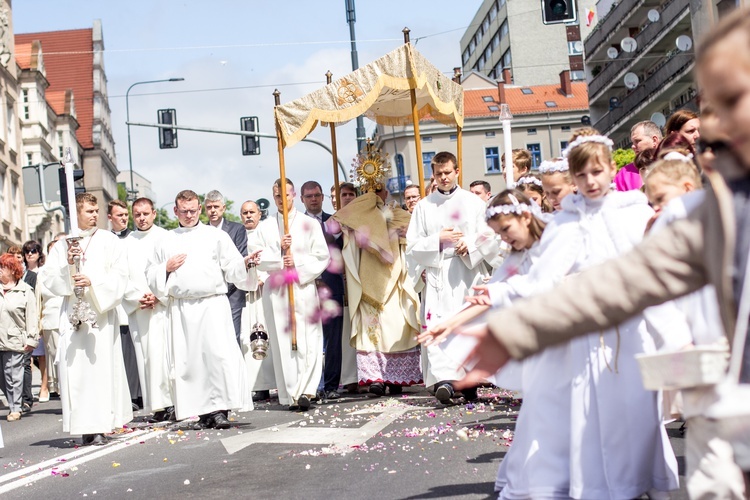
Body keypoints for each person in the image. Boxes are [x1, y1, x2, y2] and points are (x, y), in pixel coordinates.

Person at [146, 190, 252, 430]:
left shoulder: (216, 236)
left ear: (200, 209)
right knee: (190, 362)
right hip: (182, 308)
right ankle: (202, 412)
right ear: (176, 211)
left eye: (193, 210)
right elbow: (150, 272)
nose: (190, 215)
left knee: (218, 357)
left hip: (213, 304)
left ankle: (220, 410)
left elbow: (233, 266)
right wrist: (165, 267)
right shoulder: (165, 240)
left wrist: (246, 264)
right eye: (184, 211)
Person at [406, 151, 499, 403]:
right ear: (433, 175)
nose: (443, 177)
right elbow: (412, 245)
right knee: (439, 325)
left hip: (467, 273)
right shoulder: (424, 207)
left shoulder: (474, 202)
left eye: (448, 172)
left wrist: (470, 244)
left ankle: (469, 381)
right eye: (438, 174)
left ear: (457, 171)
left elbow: (490, 235)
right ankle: (445, 381)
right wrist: (437, 240)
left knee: (468, 325)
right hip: (439, 274)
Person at [41, 193, 132, 445]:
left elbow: (121, 275)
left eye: (96, 210)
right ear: (77, 212)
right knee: (77, 373)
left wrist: (94, 283)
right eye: (89, 211)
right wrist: (67, 268)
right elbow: (48, 280)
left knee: (101, 369)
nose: (95, 215)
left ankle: (102, 425)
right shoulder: (62, 245)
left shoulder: (109, 241)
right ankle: (84, 426)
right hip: (73, 315)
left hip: (100, 315)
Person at [330, 176, 422, 397]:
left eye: (378, 189)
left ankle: (396, 378)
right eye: (369, 190)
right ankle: (377, 380)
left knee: (395, 328)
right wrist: (349, 230)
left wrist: (404, 235)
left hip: (395, 280)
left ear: (386, 193)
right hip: (367, 281)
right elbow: (337, 227)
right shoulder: (358, 217)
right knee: (372, 333)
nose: (374, 194)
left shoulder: (399, 214)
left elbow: (416, 236)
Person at [247, 178, 329, 411]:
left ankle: (307, 390)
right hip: (278, 292)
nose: (282, 200)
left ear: (294, 195)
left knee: (308, 339)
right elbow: (256, 257)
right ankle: (290, 392)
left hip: (303, 288)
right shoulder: (265, 227)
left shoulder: (308, 223)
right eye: (277, 196)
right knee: (285, 342)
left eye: (286, 195)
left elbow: (322, 256)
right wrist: (279, 254)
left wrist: (298, 262)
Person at [122, 198, 173, 421]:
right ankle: (157, 405)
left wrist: (159, 295)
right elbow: (121, 276)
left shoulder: (165, 237)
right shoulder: (126, 242)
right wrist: (136, 298)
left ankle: (171, 402)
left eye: (145, 213)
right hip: (139, 307)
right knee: (145, 358)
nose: (142, 218)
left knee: (163, 355)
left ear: (153, 213)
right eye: (137, 214)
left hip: (161, 306)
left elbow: (173, 271)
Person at [300, 180, 345, 401]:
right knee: (311, 339)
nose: (314, 199)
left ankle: (331, 384)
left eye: (317, 195)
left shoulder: (335, 222)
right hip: (306, 287)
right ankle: (313, 385)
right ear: (302, 199)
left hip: (332, 285)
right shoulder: (297, 224)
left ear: (323, 197)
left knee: (333, 340)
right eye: (309, 196)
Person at [239, 200, 275, 403]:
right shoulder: (237, 235)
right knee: (248, 336)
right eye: (244, 213)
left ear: (259, 214)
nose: (248, 216)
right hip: (246, 293)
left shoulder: (266, 233)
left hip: (265, 292)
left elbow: (275, 259)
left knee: (266, 333)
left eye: (252, 212)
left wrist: (264, 279)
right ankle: (256, 385)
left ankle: (269, 382)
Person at [108, 199, 141, 411]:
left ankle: (139, 394)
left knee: (135, 348)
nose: (123, 218)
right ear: (110, 217)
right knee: (121, 350)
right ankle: (126, 394)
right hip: (114, 301)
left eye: (125, 215)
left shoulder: (134, 238)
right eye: (118, 215)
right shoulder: (104, 240)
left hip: (135, 297)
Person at [205, 190, 248, 346]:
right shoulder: (201, 232)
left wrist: (225, 286)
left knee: (232, 338)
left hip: (233, 293)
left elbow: (241, 259)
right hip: (209, 293)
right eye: (209, 207)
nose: (213, 211)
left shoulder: (237, 229)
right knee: (212, 340)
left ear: (223, 208)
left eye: (216, 207)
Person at [0, 253, 39, 422]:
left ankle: (15, 407)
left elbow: (32, 317)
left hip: (14, 339)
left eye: (3, 267)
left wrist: (31, 339)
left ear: (12, 270)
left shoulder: (25, 291)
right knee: (2, 377)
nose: (0, 270)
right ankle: (13, 402)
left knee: (13, 376)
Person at [37, 237, 64, 403]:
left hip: (69, 318)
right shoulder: (43, 272)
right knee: (55, 357)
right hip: (52, 318)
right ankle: (59, 390)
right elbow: (39, 299)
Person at [22, 240, 48, 402]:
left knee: (42, 356)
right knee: (27, 356)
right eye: (27, 251)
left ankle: (44, 387)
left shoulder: (43, 272)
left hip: (40, 315)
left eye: (33, 251)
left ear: (39, 254)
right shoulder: (22, 273)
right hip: (24, 317)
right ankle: (27, 391)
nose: (30, 254)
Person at [615, 121, 663, 191]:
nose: (633, 146)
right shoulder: (624, 174)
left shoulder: (674, 163)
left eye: (637, 141)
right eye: (632, 142)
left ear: (654, 140)